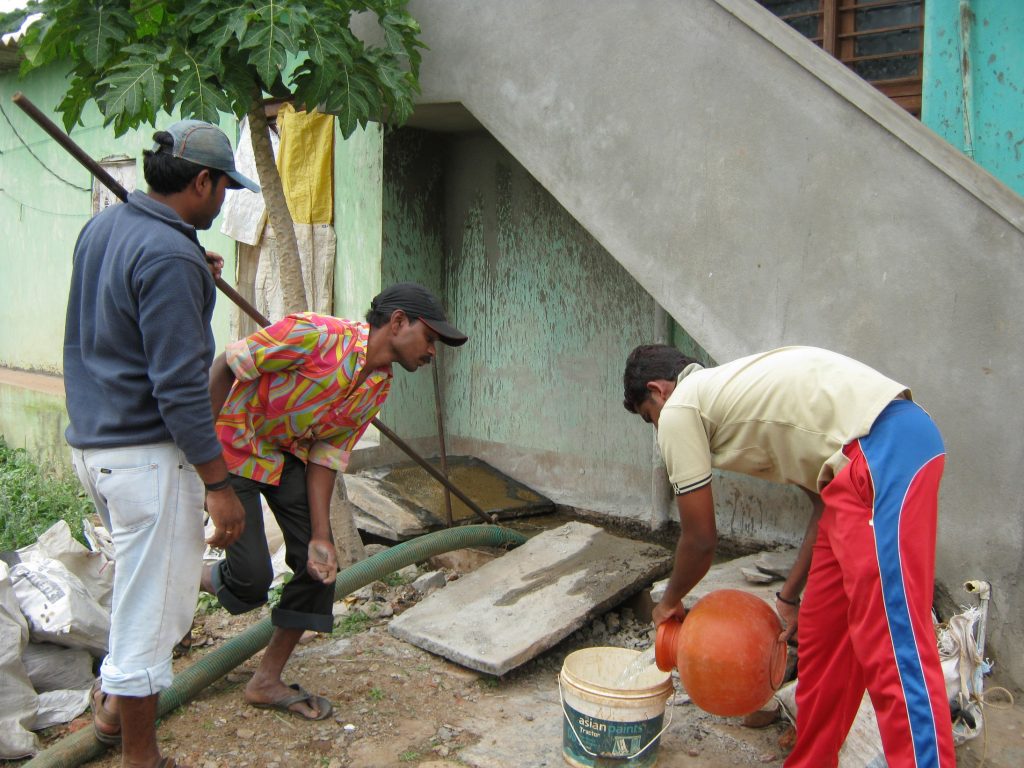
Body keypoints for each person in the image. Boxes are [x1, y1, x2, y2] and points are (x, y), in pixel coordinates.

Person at [621, 345, 955, 768]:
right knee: (824, 635)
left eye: (649, 418)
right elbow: (821, 503)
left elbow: (701, 538)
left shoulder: (681, 406)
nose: (657, 431)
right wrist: (788, 598)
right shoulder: (733, 400)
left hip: (883, 447)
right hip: (852, 471)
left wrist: (668, 602)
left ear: (658, 391)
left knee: (891, 638)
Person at [65, 120, 258, 768]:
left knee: (140, 594)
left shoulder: (108, 229)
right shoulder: (171, 256)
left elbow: (122, 312)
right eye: (224, 188)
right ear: (201, 182)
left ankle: (115, 707)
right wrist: (218, 486)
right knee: (153, 618)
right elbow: (179, 389)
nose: (224, 200)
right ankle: (140, 756)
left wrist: (189, 278)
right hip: (148, 458)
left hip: (96, 447)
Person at [202, 282, 468, 720]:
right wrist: (208, 468)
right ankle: (202, 578)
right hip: (233, 445)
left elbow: (325, 456)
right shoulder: (315, 335)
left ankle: (266, 679)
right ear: (398, 322)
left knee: (319, 568)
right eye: (430, 338)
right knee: (248, 583)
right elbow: (225, 366)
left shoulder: (377, 386)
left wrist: (321, 537)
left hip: (284, 456)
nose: (432, 351)